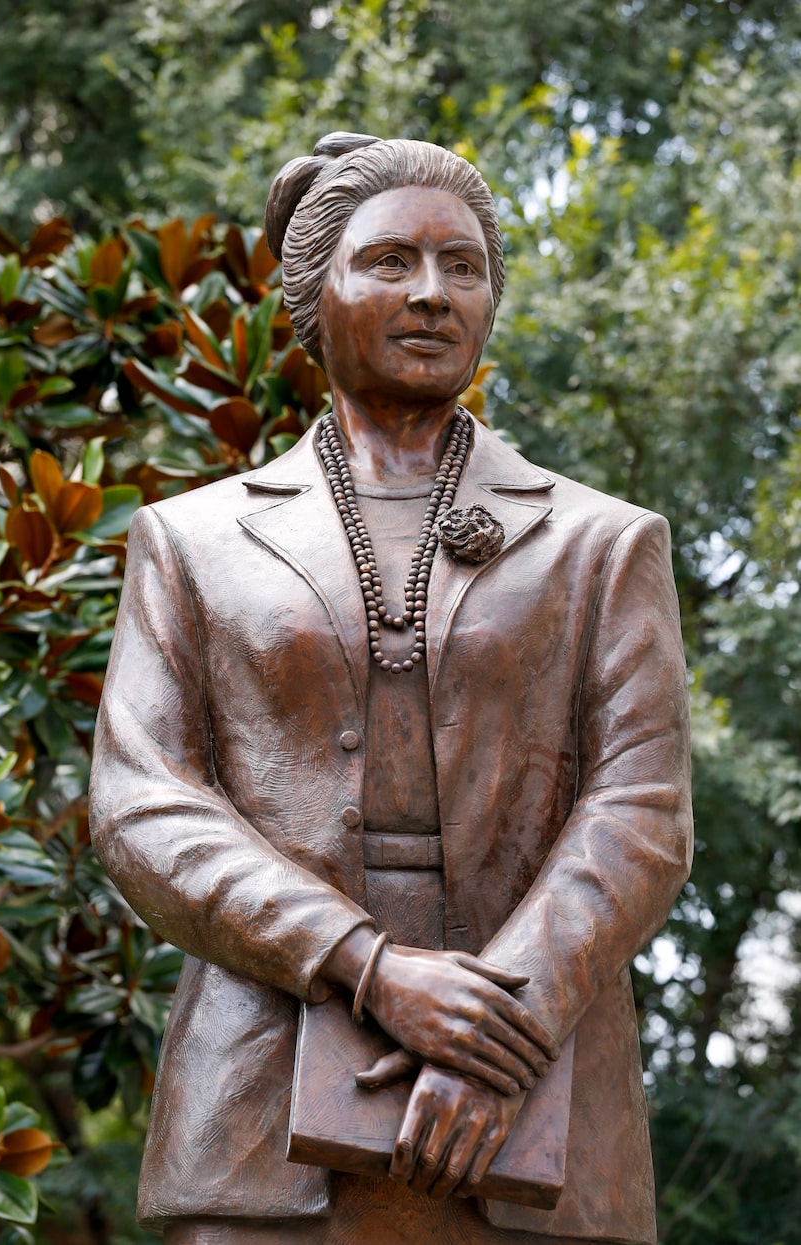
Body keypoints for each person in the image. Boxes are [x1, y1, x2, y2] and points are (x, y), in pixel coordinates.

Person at [89, 134, 692, 1245]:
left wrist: (494, 1029)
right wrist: (366, 965)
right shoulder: (193, 540)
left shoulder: (601, 544)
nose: (431, 294)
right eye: (389, 262)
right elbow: (142, 801)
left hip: (540, 1120)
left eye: (463, 267)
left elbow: (641, 811)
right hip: (258, 1116)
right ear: (310, 296)